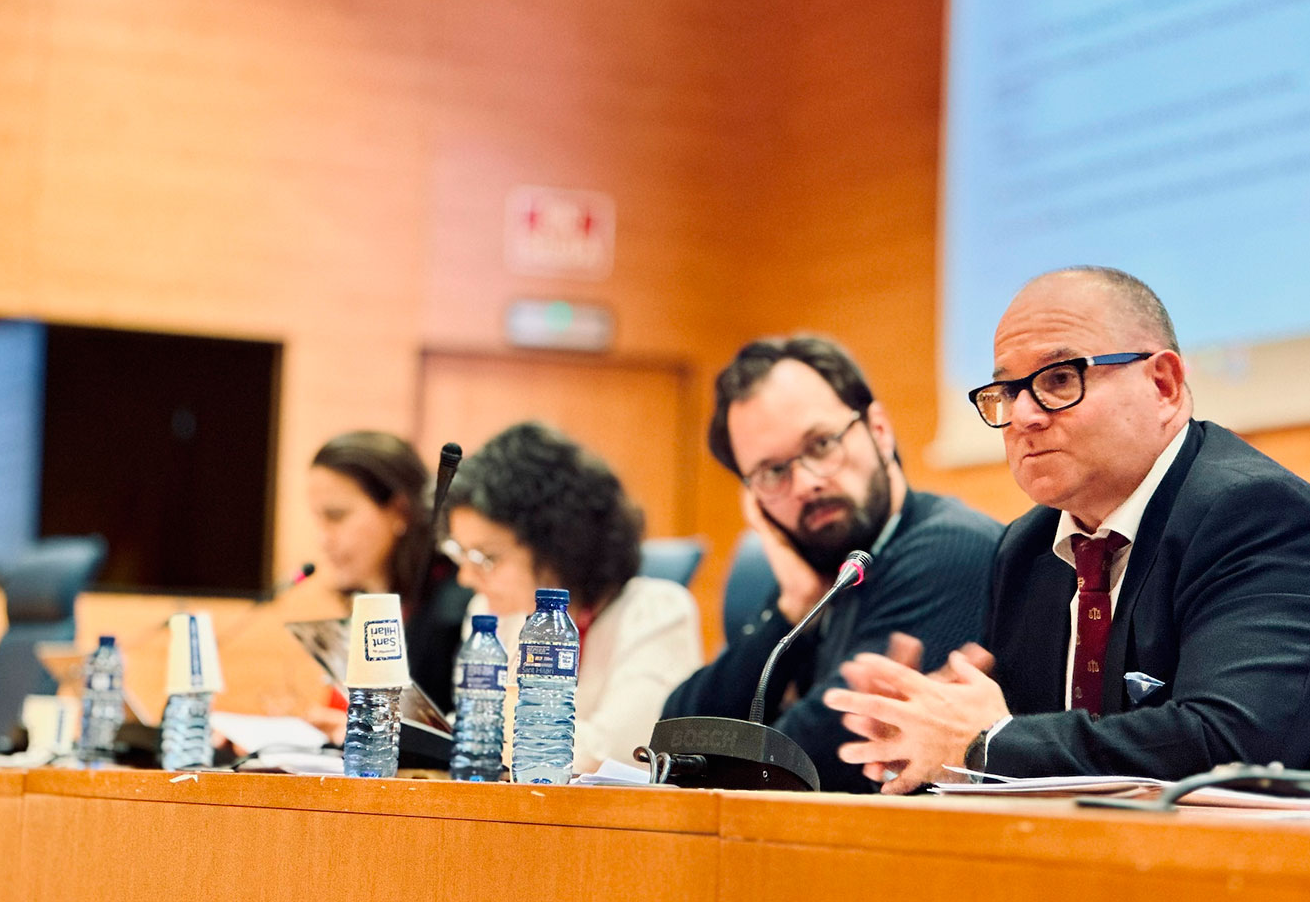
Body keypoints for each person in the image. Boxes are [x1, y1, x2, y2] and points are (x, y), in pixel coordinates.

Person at [823, 267, 1310, 793]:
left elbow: (1223, 749)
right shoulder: (1030, 550)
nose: (1025, 416)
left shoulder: (1259, 516)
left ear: (1164, 385)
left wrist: (988, 742)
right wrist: (928, 732)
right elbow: (1034, 748)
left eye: (1059, 378)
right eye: (1007, 391)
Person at [660, 336, 1002, 793]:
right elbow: (674, 739)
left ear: (879, 431)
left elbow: (803, 763)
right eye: (772, 472)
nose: (804, 483)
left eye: (821, 444)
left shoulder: (949, 551)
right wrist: (794, 605)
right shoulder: (821, 568)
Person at [443, 421, 701, 774]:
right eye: (463, 554)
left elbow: (622, 753)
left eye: (487, 557)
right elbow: (470, 732)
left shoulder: (657, 612)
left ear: (559, 545)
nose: (466, 577)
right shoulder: (494, 614)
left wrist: (491, 732)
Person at [307, 430, 471, 712]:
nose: (323, 540)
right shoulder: (365, 609)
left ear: (400, 510)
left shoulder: (453, 611)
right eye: (319, 519)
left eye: (336, 516)